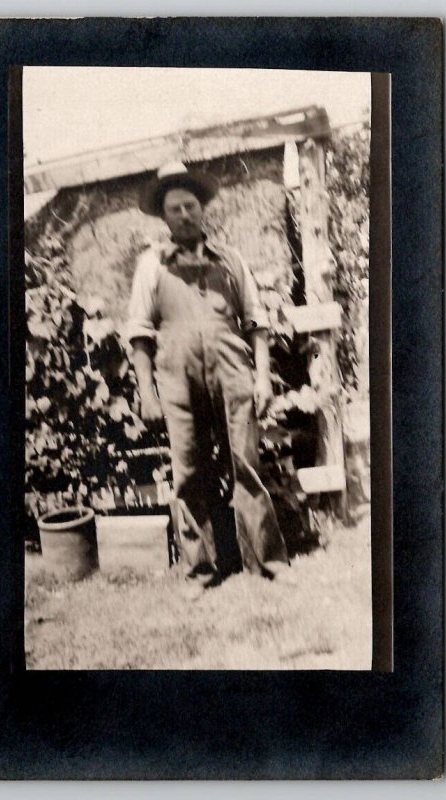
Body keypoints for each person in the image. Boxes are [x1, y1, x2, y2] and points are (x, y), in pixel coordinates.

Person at [128, 161, 294, 597]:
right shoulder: (151, 267)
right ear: (164, 218)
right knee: (188, 474)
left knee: (247, 467)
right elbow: (140, 336)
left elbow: (257, 323)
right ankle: (201, 570)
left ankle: (267, 561)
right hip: (178, 382)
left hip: (234, 376)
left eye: (190, 206)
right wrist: (147, 391)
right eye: (175, 209)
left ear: (202, 210)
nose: (184, 214)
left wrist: (262, 379)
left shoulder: (231, 261)